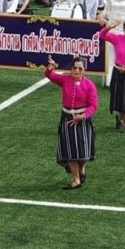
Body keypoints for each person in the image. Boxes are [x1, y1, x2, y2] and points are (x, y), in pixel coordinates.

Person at [44, 55, 98, 190]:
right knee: (70, 151)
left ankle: (82, 168)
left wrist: (83, 116)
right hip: (67, 119)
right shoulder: (65, 80)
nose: (77, 71)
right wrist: (50, 68)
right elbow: (50, 75)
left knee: (83, 153)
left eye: (80, 68)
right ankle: (76, 179)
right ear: (71, 68)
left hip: (82, 121)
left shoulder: (89, 85)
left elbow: (94, 106)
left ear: (84, 70)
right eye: (74, 68)